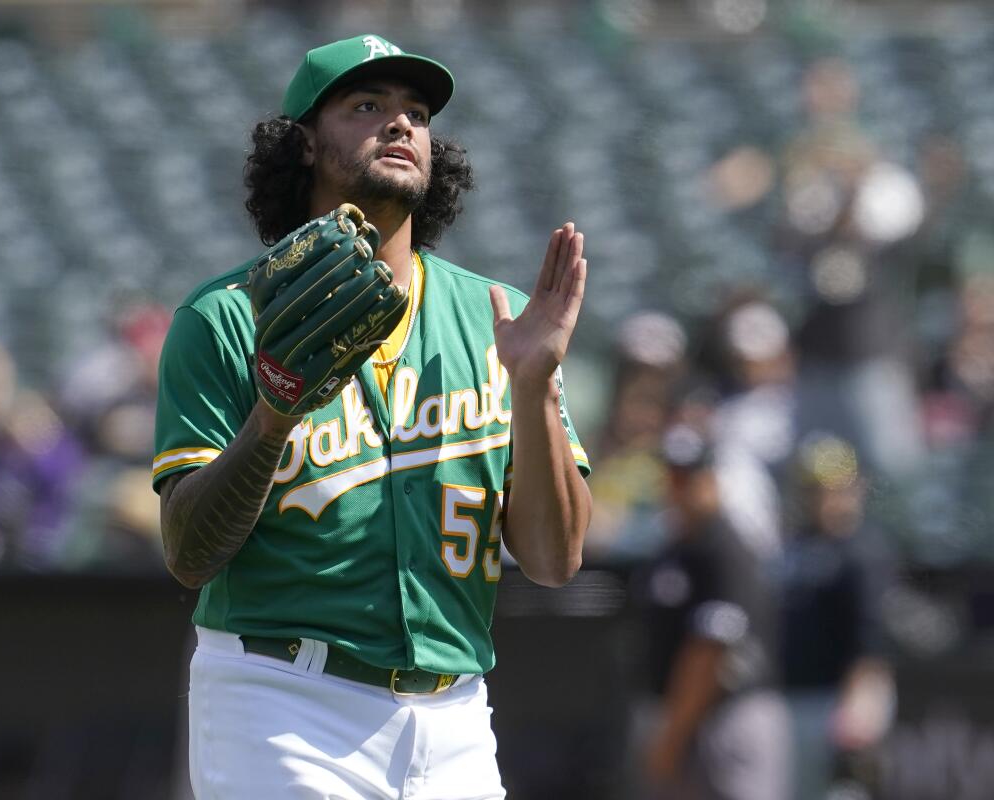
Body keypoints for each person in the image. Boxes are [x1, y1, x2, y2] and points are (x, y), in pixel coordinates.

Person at [152, 34, 593, 798]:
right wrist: (273, 418)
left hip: (455, 712)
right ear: (304, 148)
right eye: (367, 106)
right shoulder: (226, 319)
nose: (401, 125)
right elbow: (189, 554)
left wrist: (531, 390)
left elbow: (555, 564)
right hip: (282, 696)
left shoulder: (499, 322)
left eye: (416, 113)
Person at [638, 424, 790, 800]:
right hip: (682, 717)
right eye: (671, 476)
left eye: (688, 477)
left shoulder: (725, 546)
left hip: (731, 718)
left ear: (712, 480)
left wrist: (671, 738)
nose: (677, 487)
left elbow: (709, 652)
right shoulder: (673, 548)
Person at [780, 434, 895, 800]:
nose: (829, 499)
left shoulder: (865, 549)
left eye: (837, 489)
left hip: (839, 698)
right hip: (794, 696)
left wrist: (859, 704)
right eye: (818, 490)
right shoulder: (798, 543)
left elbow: (871, 636)